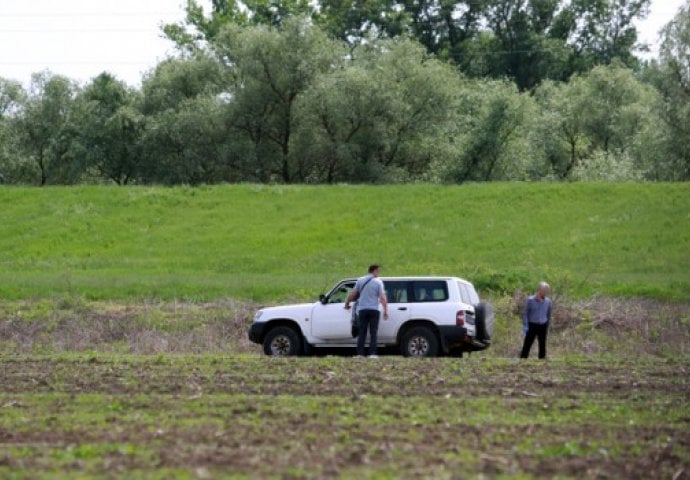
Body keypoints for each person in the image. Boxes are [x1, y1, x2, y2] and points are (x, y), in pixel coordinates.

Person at [345, 264, 388, 358]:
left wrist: (347, 303)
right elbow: (382, 297)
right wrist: (385, 310)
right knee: (373, 332)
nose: (379, 273)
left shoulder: (360, 280)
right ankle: (372, 353)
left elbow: (353, 294)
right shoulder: (378, 282)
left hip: (362, 310)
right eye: (378, 271)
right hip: (374, 310)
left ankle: (360, 353)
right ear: (374, 271)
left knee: (362, 332)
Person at [520, 281, 552, 359]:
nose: (546, 292)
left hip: (543, 325)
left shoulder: (548, 301)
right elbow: (525, 313)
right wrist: (525, 325)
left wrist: (547, 325)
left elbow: (548, 314)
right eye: (544, 290)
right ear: (539, 290)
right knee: (527, 344)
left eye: (547, 290)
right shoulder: (530, 300)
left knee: (542, 344)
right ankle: (523, 360)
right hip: (532, 325)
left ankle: (542, 360)